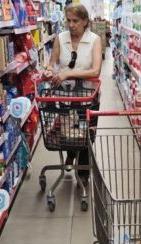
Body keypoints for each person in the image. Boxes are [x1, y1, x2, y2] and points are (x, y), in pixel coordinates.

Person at [43, 3, 102, 186]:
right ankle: (70, 154)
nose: (71, 25)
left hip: (87, 96)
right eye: (68, 20)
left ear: (85, 21)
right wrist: (49, 70)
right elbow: (52, 63)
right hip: (65, 96)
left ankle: (83, 173)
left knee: (85, 136)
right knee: (68, 131)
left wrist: (68, 73)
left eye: (75, 21)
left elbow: (95, 71)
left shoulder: (94, 40)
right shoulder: (60, 38)